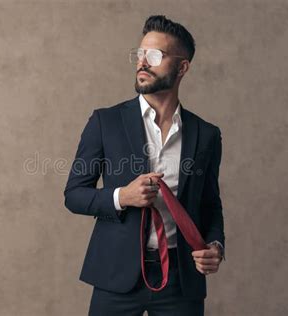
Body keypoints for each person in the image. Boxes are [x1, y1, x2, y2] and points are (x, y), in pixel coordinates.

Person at [64, 15, 225, 316]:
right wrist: (121, 196)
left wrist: (215, 245)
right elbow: (74, 194)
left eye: (154, 56)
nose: (142, 63)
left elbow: (210, 205)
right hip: (116, 276)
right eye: (140, 54)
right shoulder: (105, 122)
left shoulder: (206, 135)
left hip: (181, 280)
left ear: (182, 67)